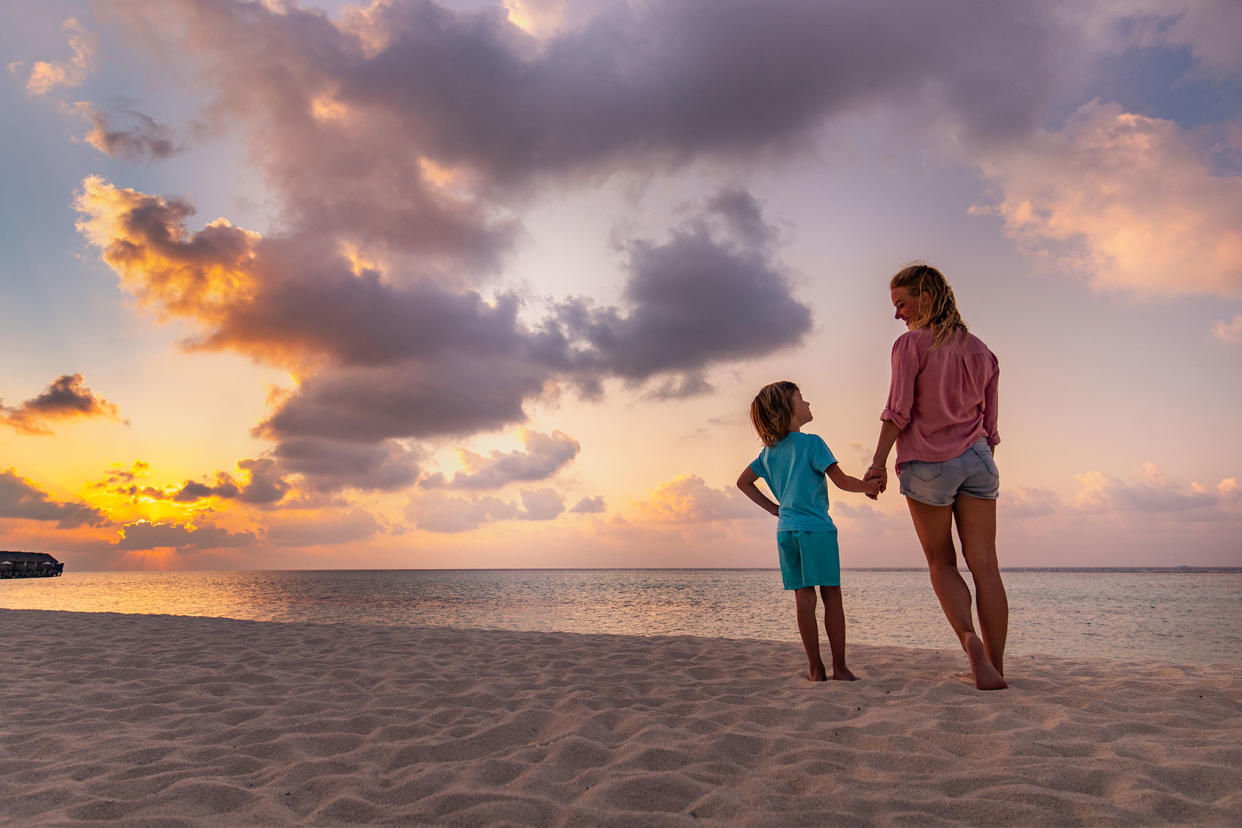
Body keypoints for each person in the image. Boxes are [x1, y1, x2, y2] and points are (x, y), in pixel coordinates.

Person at [864, 263, 1008, 690]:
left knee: (941, 562)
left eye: (901, 303)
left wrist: (876, 464)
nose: (897, 314)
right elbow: (992, 425)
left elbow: (898, 411)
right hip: (978, 459)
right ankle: (996, 667)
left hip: (928, 463)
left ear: (925, 298)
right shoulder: (984, 351)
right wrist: (975, 451)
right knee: (987, 567)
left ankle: (969, 640)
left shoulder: (911, 345)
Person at [737, 381, 881, 682]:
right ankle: (839, 668)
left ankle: (816, 669)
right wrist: (869, 486)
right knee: (831, 596)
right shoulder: (812, 443)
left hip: (786, 532)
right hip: (816, 530)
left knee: (804, 598)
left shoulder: (768, 453)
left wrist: (775, 509)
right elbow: (841, 481)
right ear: (787, 409)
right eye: (801, 399)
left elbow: (743, 482)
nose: (808, 403)